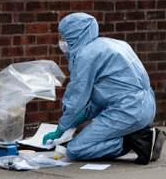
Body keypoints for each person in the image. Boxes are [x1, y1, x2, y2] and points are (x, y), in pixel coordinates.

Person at [43, 12, 164, 164]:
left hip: (127, 111)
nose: (61, 41)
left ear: (74, 36)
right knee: (90, 139)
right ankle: (139, 136)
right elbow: (105, 97)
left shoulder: (86, 55)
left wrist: (62, 127)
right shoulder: (111, 44)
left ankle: (138, 141)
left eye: (62, 37)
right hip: (145, 107)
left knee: (75, 150)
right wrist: (77, 120)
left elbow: (76, 97)